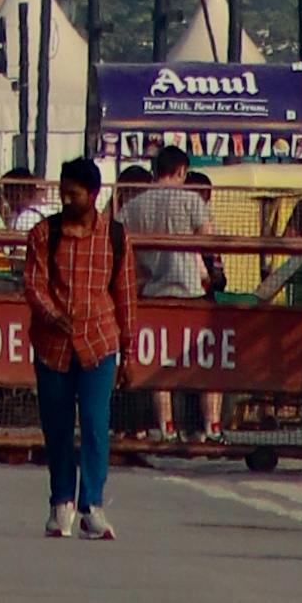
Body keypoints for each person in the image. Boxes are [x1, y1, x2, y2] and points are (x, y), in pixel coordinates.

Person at [21, 152, 137, 541]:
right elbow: (33, 284)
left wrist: (129, 351)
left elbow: (125, 295)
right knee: (56, 427)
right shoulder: (44, 233)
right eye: (62, 193)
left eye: (74, 194)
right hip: (52, 344)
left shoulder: (116, 237)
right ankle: (61, 504)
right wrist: (53, 314)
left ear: (93, 193)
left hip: (99, 342)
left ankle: (92, 506)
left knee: (94, 423)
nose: (67, 201)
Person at [119, 143, 210, 443]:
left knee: (159, 358)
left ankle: (165, 425)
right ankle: (208, 427)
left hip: (153, 292)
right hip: (189, 290)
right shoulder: (191, 200)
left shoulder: (133, 207)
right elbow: (208, 238)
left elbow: (119, 245)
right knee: (201, 359)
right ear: (181, 171)